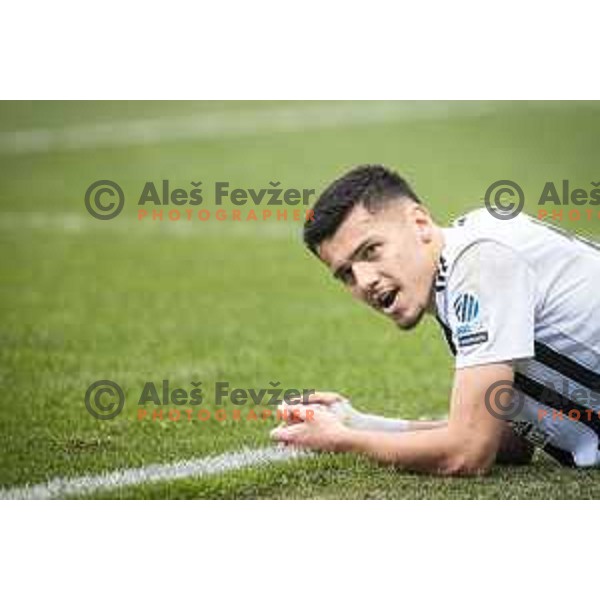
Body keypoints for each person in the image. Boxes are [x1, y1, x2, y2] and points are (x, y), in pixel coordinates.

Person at [271, 165, 600, 474]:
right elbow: (508, 440)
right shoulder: (464, 258)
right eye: (346, 273)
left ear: (420, 224)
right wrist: (357, 423)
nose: (364, 280)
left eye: (370, 251)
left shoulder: (478, 264)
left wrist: (343, 441)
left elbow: (468, 452)